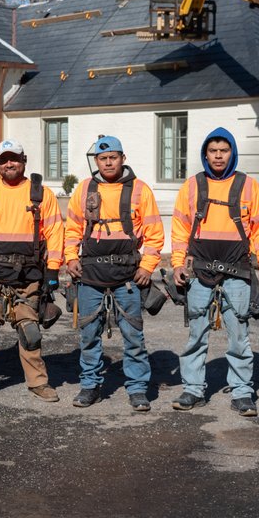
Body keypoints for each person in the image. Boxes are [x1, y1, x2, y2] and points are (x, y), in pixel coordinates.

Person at [170, 127, 259, 417]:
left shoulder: (249, 186)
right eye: (213, 151)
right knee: (196, 334)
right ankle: (193, 389)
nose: (218, 156)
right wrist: (178, 263)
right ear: (205, 154)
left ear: (232, 153)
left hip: (238, 273)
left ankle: (242, 393)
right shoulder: (191, 186)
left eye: (223, 151)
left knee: (239, 335)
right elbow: (179, 230)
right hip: (199, 271)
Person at [64, 136, 165, 410]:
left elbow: (155, 234)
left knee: (133, 337)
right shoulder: (84, 189)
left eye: (113, 157)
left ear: (123, 158)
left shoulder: (140, 190)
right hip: (89, 273)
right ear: (96, 161)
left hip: (128, 277)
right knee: (88, 336)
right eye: (102, 158)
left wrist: (147, 266)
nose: (108, 162)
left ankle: (138, 389)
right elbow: (72, 228)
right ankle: (89, 386)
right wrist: (71, 258)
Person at [0, 139, 64, 402]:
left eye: (15, 159)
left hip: (28, 276)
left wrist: (53, 271)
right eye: (5, 159)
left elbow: (54, 233)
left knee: (30, 331)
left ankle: (38, 383)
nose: (10, 164)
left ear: (24, 161)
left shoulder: (41, 194)